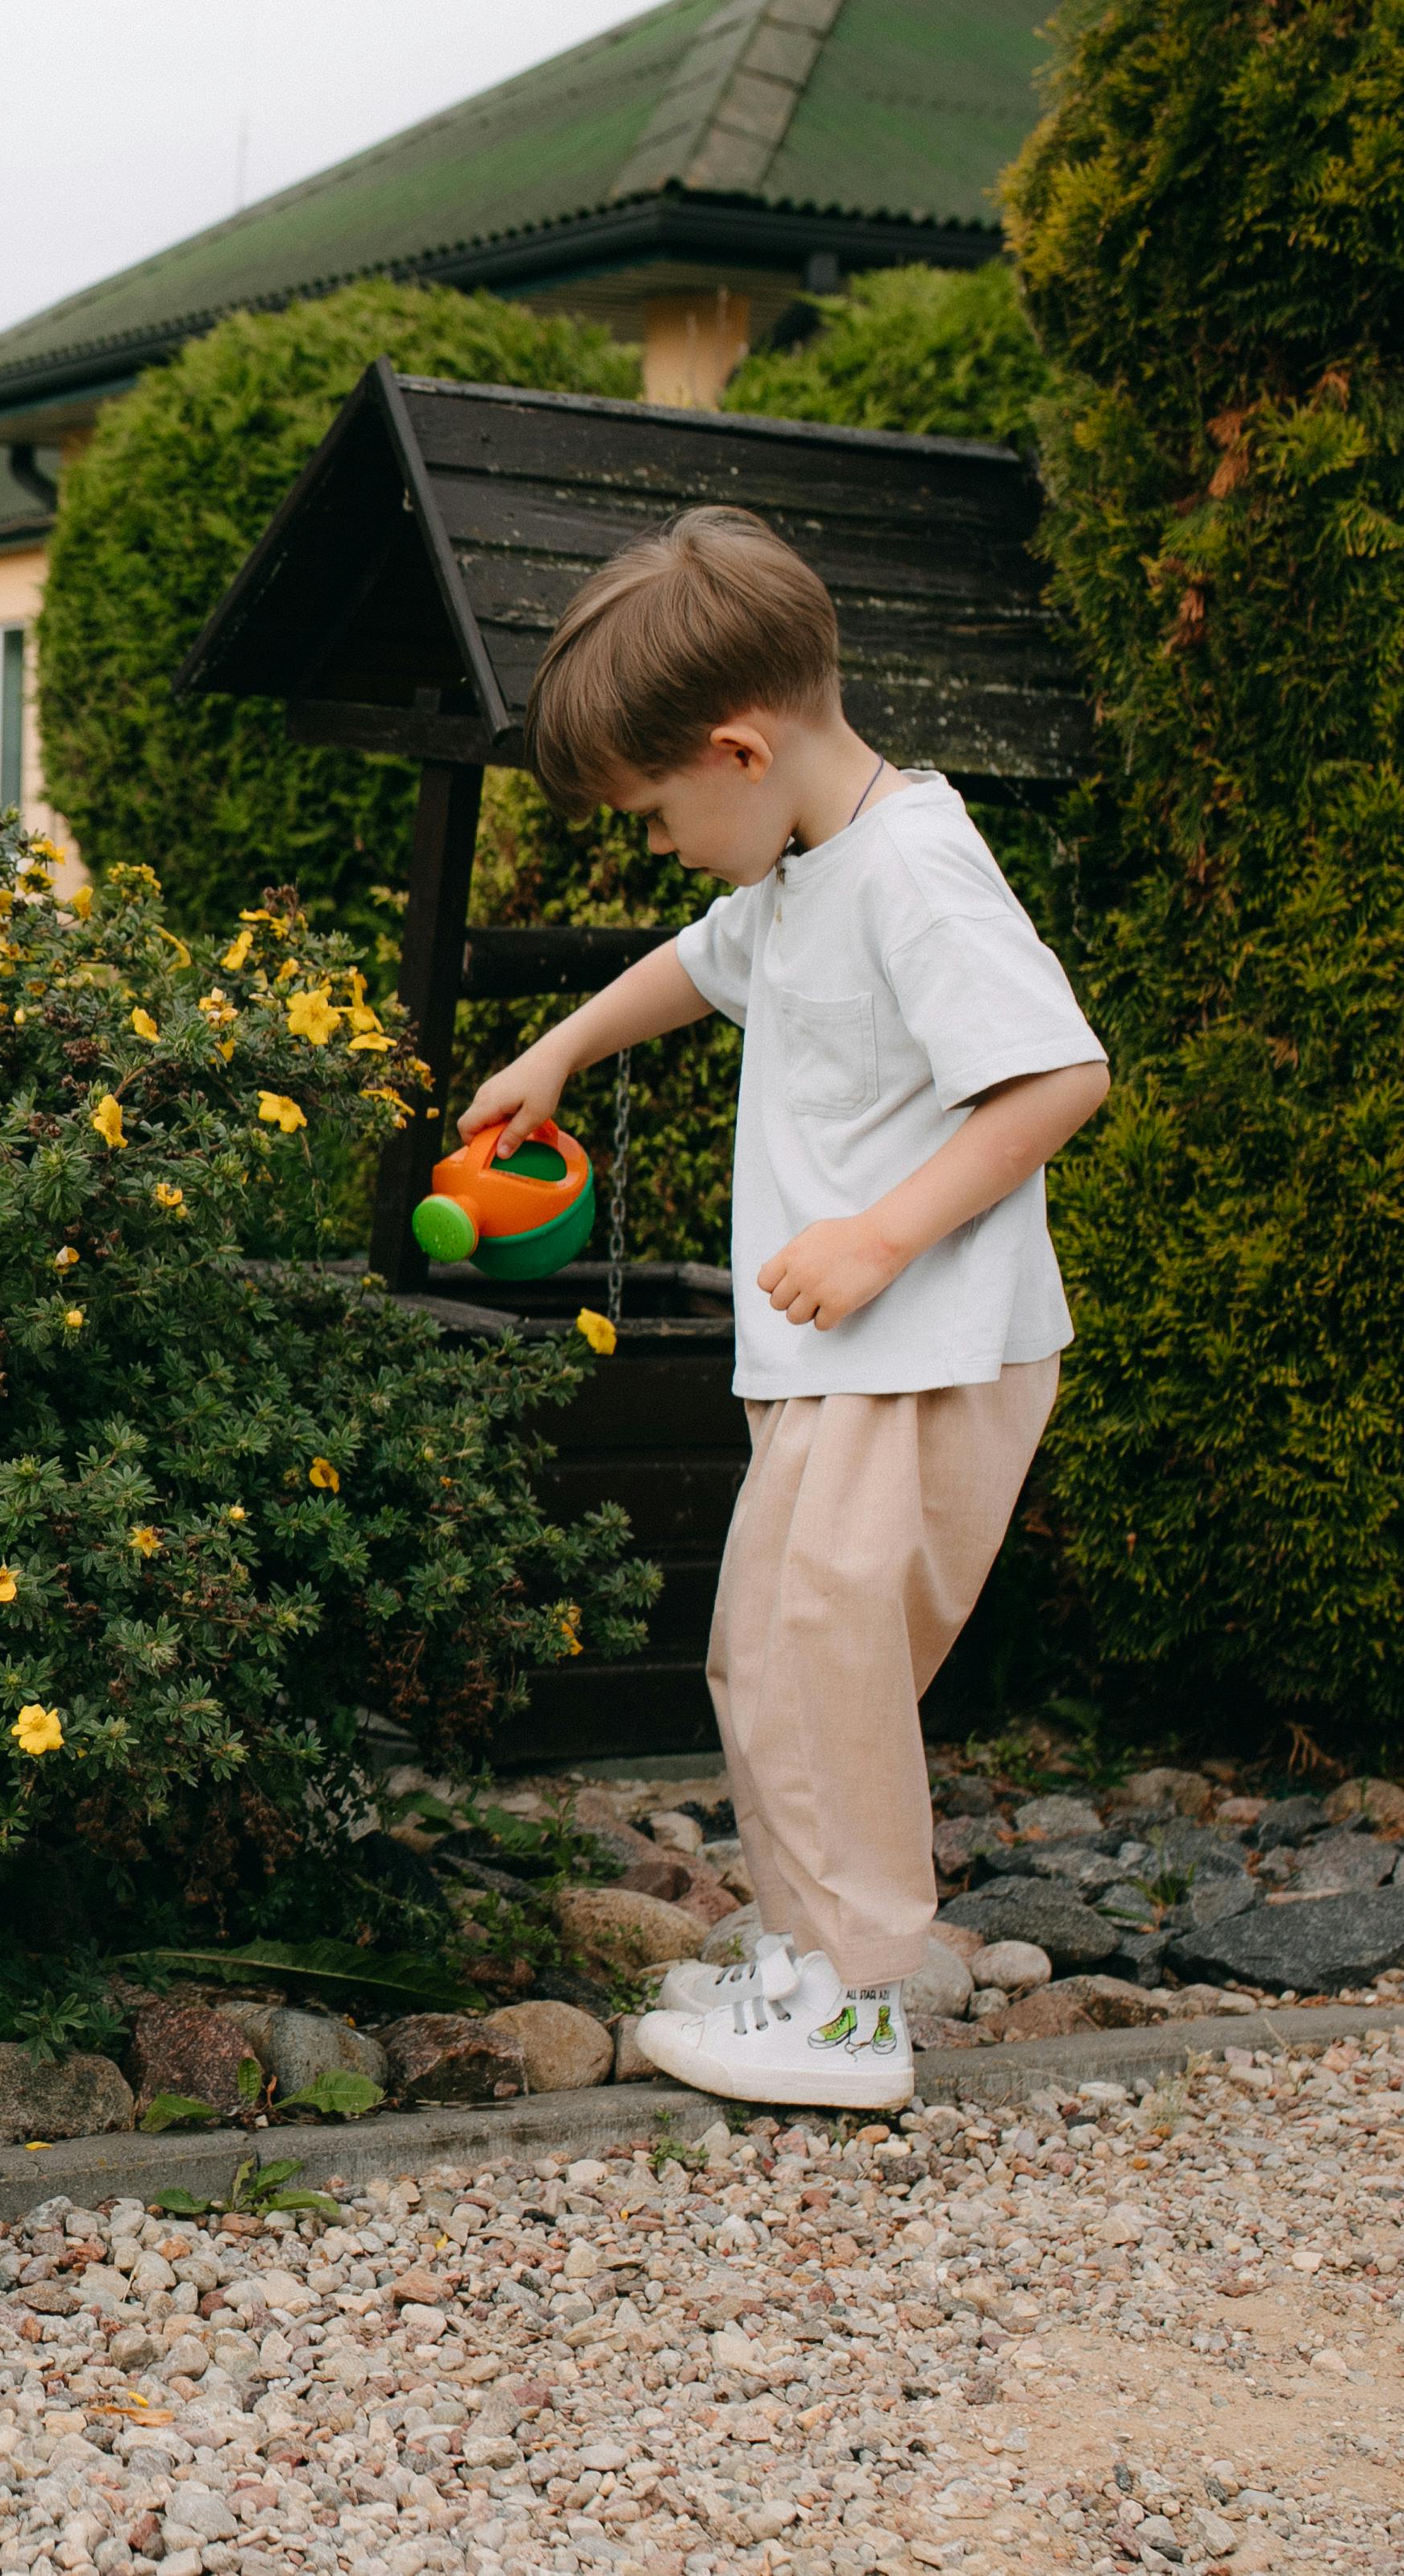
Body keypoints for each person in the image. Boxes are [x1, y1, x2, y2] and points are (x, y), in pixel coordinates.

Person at [465, 507, 1110, 2111]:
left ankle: (847, 2006)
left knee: (808, 1649)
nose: (660, 841)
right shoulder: (812, 859)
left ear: (740, 751)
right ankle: (816, 1951)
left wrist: (883, 1237)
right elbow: (700, 958)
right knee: (777, 1652)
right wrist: (560, 1053)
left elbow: (1060, 1074)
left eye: (659, 809)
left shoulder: (915, 871)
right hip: (852, 1356)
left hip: (916, 1348)